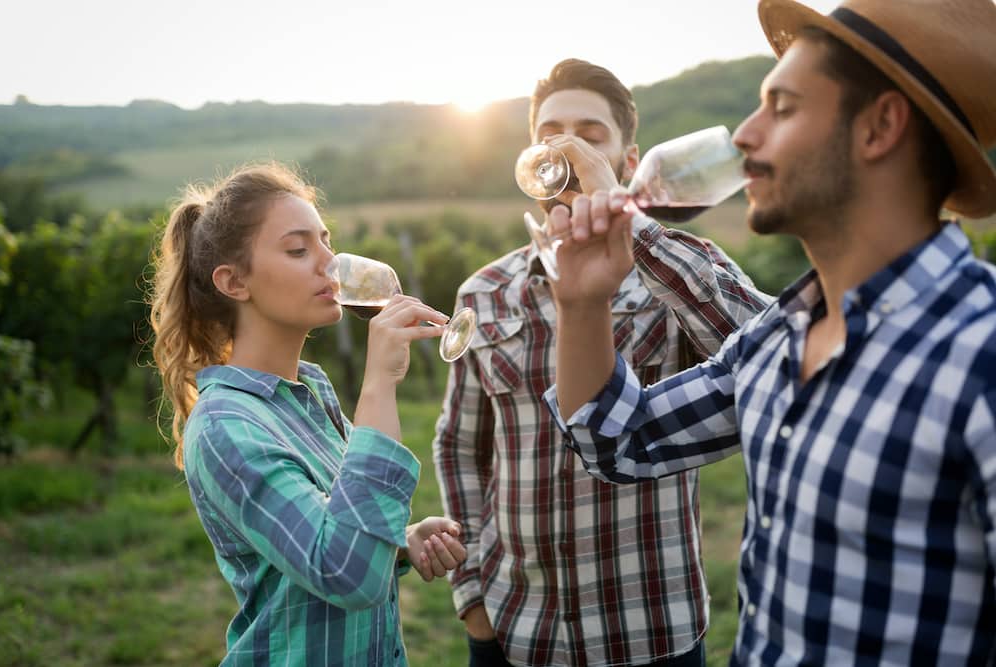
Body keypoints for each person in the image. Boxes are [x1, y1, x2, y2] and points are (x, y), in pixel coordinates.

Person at [545, 0, 996, 664]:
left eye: (781, 107)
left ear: (880, 126)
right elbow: (618, 440)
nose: (745, 136)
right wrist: (583, 305)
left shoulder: (981, 351)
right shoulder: (773, 337)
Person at [432, 59, 771, 667]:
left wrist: (628, 222)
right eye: (550, 133)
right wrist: (474, 599)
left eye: (589, 136)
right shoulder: (483, 293)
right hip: (516, 630)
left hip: (650, 631)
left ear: (629, 160)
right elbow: (459, 445)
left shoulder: (675, 272)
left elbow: (772, 353)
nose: (565, 148)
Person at [148, 162, 467, 666]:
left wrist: (400, 542)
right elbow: (347, 573)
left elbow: (329, 526)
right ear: (234, 282)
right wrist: (380, 382)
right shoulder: (225, 427)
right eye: (298, 250)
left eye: (326, 241)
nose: (330, 263)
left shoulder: (309, 390)